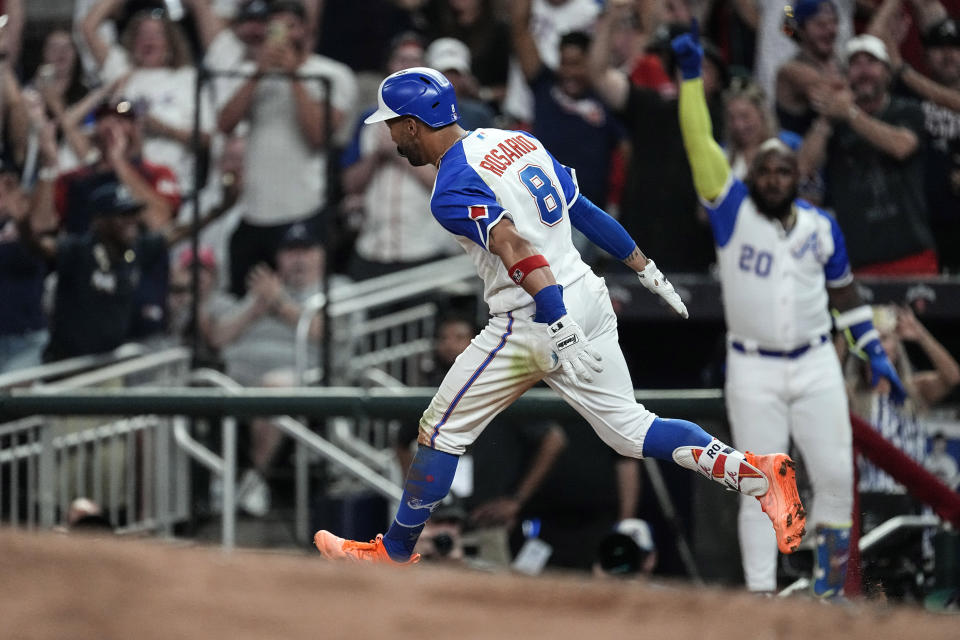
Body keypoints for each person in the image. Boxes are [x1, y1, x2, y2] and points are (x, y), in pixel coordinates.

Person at [314, 66, 807, 569]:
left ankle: (393, 553)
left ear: (415, 124)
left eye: (394, 124)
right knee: (632, 431)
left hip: (534, 317)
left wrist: (556, 322)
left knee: (441, 431)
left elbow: (514, 245)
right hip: (588, 294)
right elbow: (583, 209)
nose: (392, 136)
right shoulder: (516, 140)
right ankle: (757, 474)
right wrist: (641, 264)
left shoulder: (450, 188)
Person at [672, 22, 905, 597]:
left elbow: (845, 295)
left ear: (798, 177)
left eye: (784, 171)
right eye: (766, 170)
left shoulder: (823, 227)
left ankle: (826, 594)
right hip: (753, 367)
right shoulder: (731, 212)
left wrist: (871, 350)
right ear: (752, 175)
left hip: (816, 361)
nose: (774, 178)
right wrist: (688, 83)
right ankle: (759, 595)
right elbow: (700, 143)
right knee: (763, 481)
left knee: (833, 478)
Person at [217, 0, 357, 296]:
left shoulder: (332, 74)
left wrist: (294, 75)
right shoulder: (249, 72)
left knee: (303, 302)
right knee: (243, 299)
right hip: (253, 211)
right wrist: (258, 73)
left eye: (291, 27)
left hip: (302, 211)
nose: (283, 36)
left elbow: (318, 135)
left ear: (306, 30)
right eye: (275, 28)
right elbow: (225, 123)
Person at [806, 34, 937, 275]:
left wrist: (851, 114)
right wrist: (826, 118)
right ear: (846, 77)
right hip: (857, 259)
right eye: (855, 64)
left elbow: (901, 147)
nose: (863, 70)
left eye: (872, 62)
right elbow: (804, 168)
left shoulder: (908, 110)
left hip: (911, 252)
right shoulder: (834, 121)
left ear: (888, 73)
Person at [341, 32, 456, 281]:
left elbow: (447, 185)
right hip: (372, 250)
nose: (407, 68)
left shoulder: (443, 122)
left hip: (423, 250)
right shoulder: (369, 121)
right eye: (401, 60)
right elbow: (350, 185)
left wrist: (398, 155)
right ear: (389, 67)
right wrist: (374, 158)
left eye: (415, 61)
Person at [81, 0, 214, 193]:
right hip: (122, 188)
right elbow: (88, 27)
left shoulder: (188, 78)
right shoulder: (122, 72)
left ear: (170, 42)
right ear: (132, 43)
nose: (148, 39)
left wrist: (162, 128)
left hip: (173, 187)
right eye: (141, 34)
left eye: (156, 34)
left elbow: (207, 140)